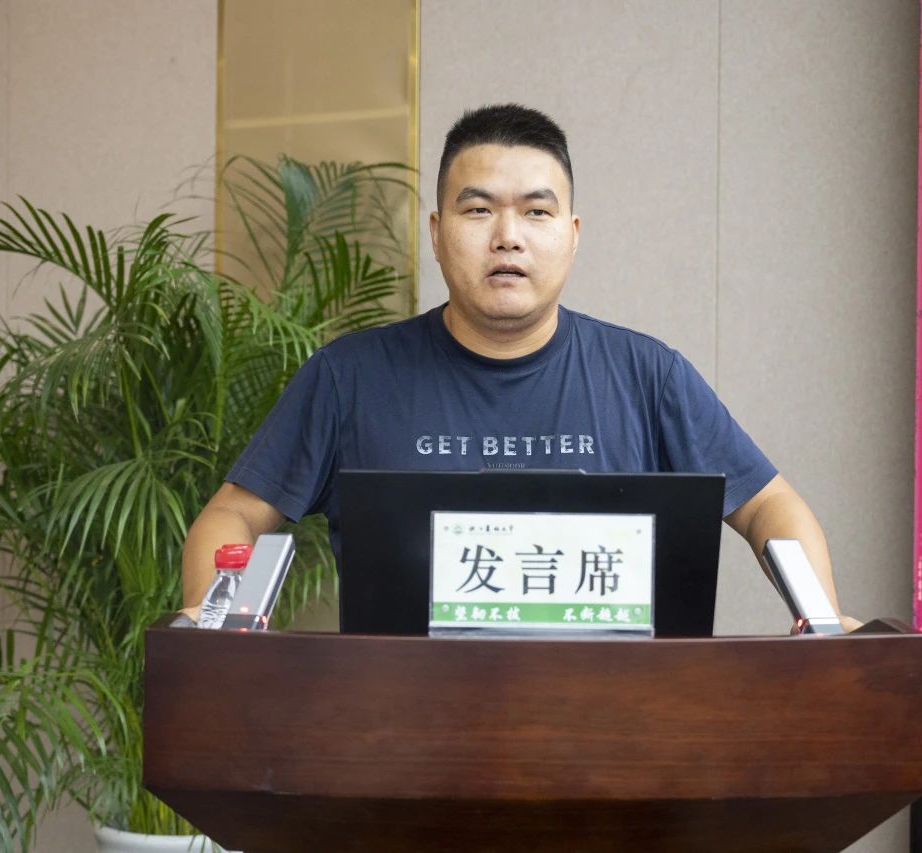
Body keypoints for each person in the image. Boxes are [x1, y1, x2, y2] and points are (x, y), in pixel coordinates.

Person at [182, 103, 855, 630]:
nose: (508, 236)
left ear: (572, 235)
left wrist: (821, 622)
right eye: (478, 210)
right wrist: (210, 622)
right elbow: (231, 516)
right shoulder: (349, 378)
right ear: (436, 233)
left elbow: (770, 505)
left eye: (536, 211)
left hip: (611, 731)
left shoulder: (648, 377)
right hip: (400, 731)